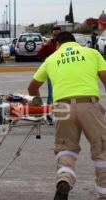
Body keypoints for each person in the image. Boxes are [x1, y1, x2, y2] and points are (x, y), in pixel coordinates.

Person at [28, 31, 106, 200]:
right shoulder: (92, 53)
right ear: (74, 42)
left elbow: (32, 87)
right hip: (89, 105)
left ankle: (64, 180)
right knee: (101, 149)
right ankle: (103, 194)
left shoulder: (51, 59)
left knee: (65, 149)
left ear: (57, 44)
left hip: (62, 108)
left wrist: (39, 107)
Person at [38, 25, 61, 124]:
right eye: (54, 33)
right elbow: (40, 54)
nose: (56, 36)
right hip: (52, 72)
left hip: (63, 72)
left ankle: (61, 114)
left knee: (63, 94)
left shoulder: (64, 44)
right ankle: (49, 115)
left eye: (58, 33)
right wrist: (46, 45)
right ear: (52, 33)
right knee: (51, 94)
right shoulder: (49, 44)